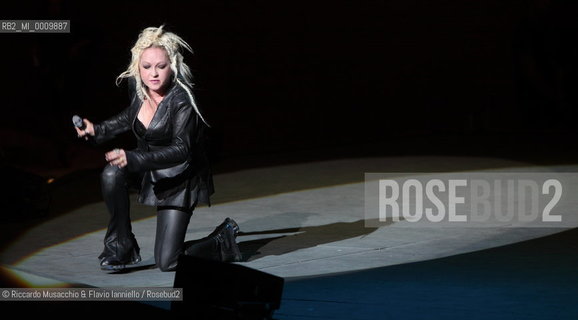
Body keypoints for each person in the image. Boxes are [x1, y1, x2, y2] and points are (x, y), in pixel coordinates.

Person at [75, 26, 241, 271]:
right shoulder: (139, 88)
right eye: (147, 67)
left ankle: (222, 240)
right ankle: (120, 247)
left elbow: (181, 150)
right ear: (138, 67)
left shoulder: (183, 101)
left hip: (180, 177)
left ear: (172, 66)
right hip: (148, 165)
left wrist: (133, 158)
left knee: (169, 261)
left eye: (160, 67)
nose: (153, 74)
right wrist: (97, 130)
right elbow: (129, 116)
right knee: (112, 174)